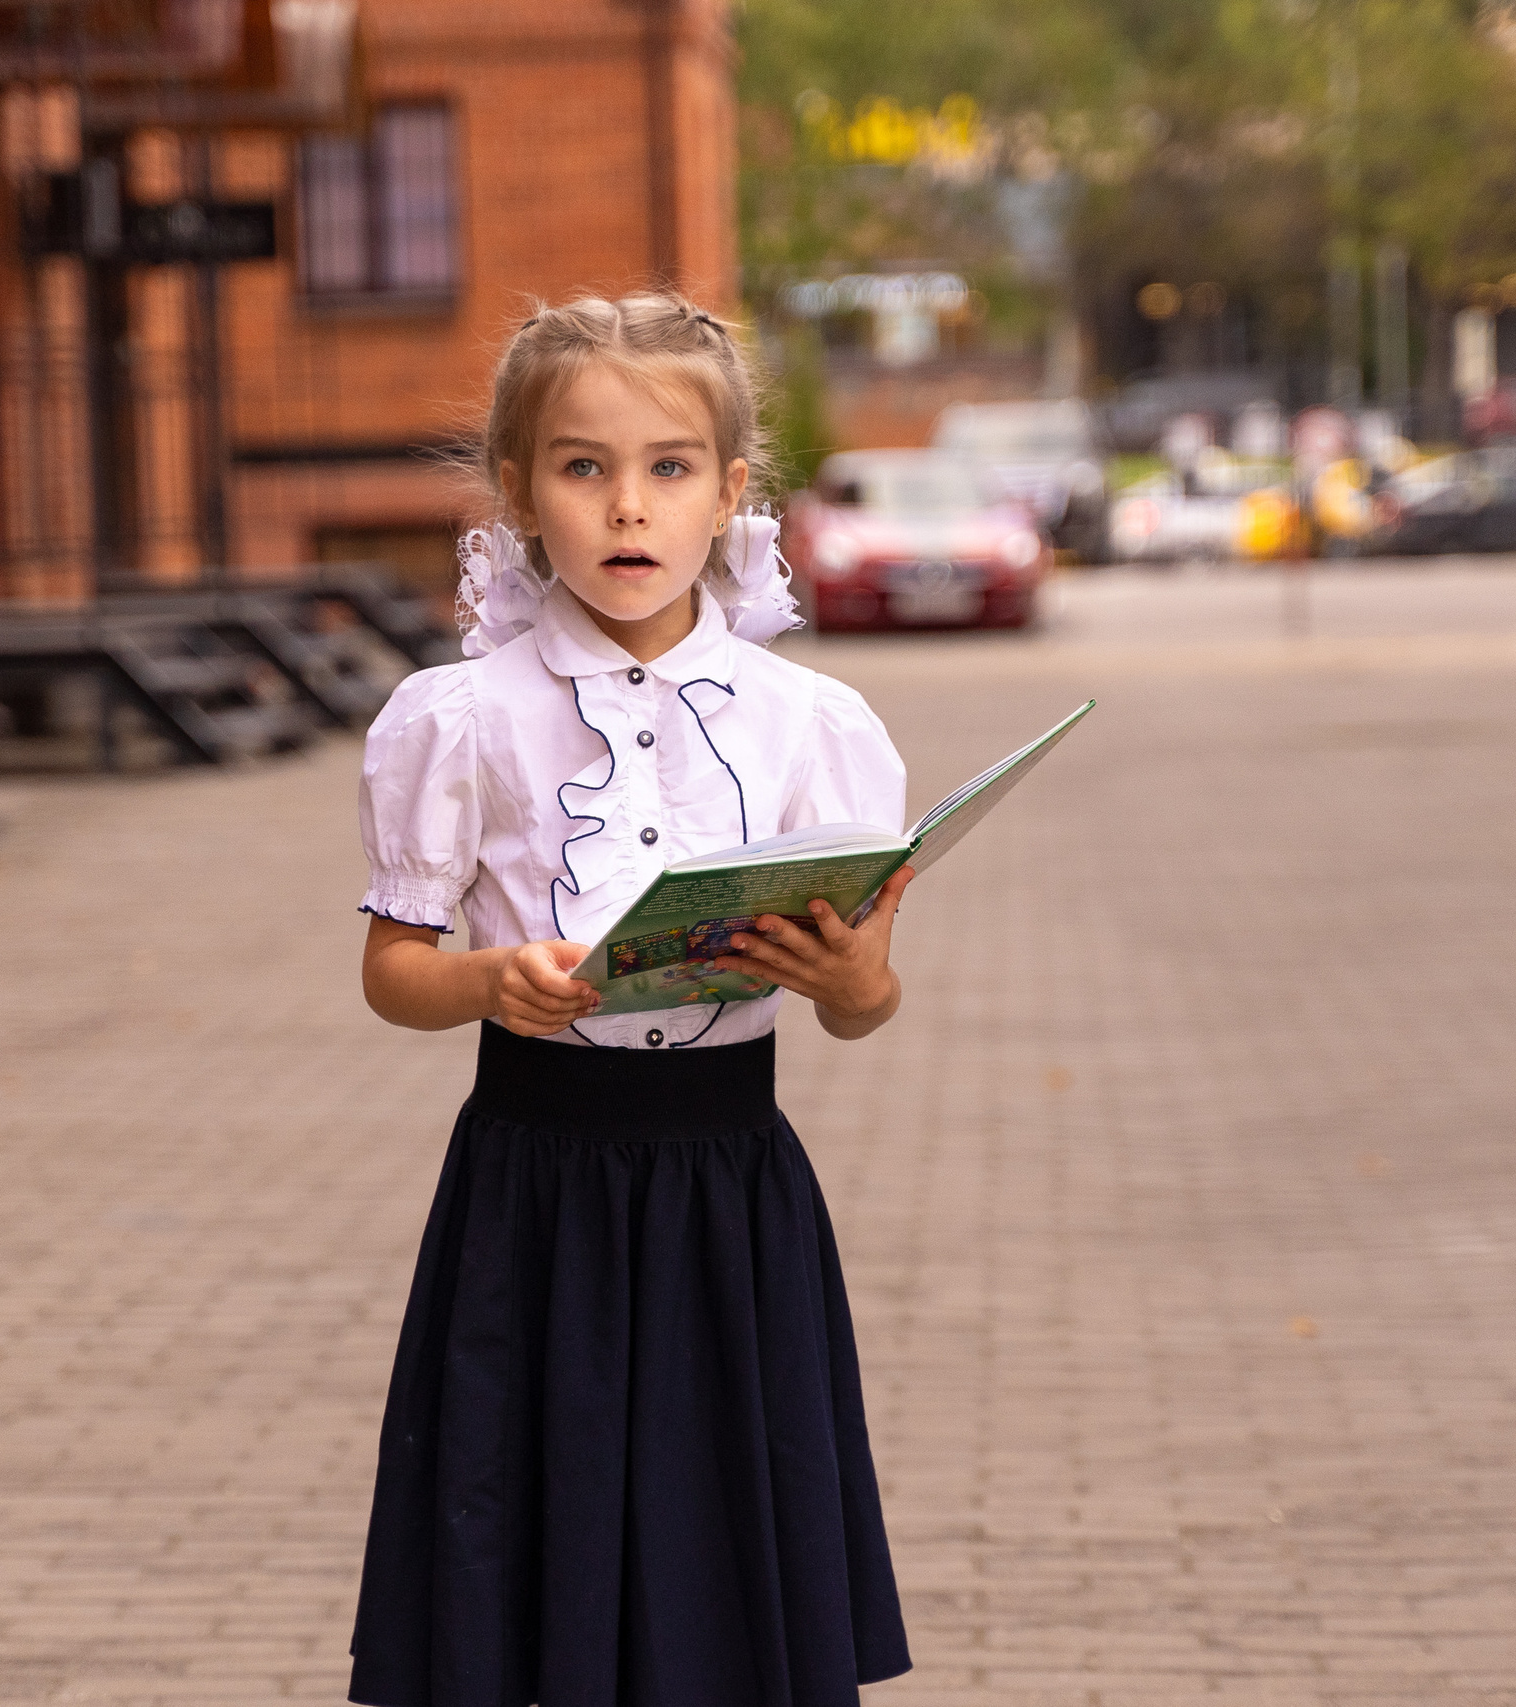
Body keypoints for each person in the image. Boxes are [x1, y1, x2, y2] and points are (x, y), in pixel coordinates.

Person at [348, 291, 916, 1707]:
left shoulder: (811, 724)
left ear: (730, 493)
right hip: (533, 1192)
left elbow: (864, 1004)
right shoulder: (459, 719)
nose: (627, 506)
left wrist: (854, 980)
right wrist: (489, 983)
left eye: (669, 467)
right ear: (518, 493)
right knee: (530, 1542)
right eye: (582, 467)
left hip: (734, 1194)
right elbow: (394, 973)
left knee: (724, 1555)